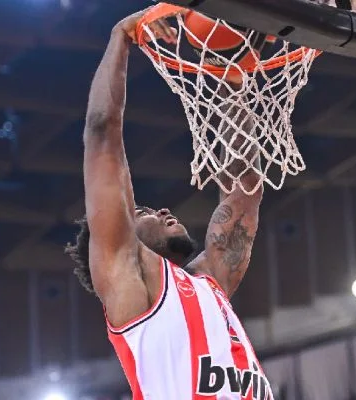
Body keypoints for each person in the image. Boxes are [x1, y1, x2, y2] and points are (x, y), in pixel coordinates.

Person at [65, 6, 272, 400]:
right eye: (141, 211)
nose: (160, 210)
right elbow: (101, 132)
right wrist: (120, 36)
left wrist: (231, 81)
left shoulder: (209, 279)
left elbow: (244, 190)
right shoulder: (126, 275)